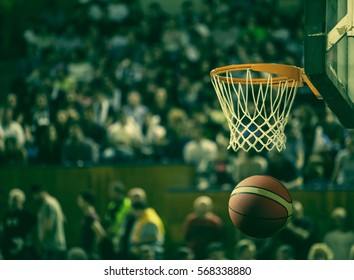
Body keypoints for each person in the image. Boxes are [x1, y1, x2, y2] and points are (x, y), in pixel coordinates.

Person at [30, 184, 66, 259]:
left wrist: (40, 243)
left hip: (50, 246)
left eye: (35, 195)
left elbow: (48, 225)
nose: (34, 198)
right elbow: (64, 219)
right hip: (59, 244)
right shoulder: (55, 202)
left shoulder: (47, 205)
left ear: (40, 193)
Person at [0, 188, 36, 259]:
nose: (12, 202)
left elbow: (33, 232)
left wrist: (23, 242)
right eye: (11, 199)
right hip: (8, 251)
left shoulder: (27, 215)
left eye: (15, 200)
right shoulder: (7, 215)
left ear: (21, 201)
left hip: (22, 251)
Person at [77, 190, 106, 259]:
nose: (78, 201)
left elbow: (101, 234)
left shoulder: (91, 217)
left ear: (87, 201)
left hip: (89, 254)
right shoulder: (87, 216)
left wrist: (94, 249)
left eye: (80, 199)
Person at [103, 181, 131, 254]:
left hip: (124, 236)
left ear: (117, 192)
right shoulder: (111, 204)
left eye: (111, 191)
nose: (109, 193)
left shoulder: (128, 204)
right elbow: (108, 218)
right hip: (113, 235)